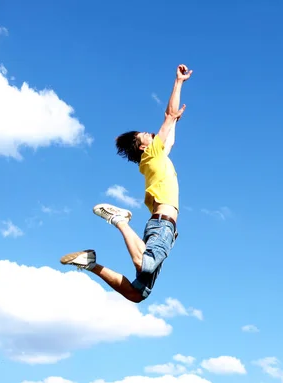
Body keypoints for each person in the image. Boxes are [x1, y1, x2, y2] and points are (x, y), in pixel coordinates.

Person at [59, 64, 192, 303]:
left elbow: (170, 134)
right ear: (143, 147)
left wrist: (175, 122)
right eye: (145, 134)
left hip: (161, 227)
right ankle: (119, 220)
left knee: (136, 294)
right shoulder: (152, 154)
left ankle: (90, 264)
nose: (150, 133)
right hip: (163, 226)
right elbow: (168, 116)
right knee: (143, 264)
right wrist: (179, 83)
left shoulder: (156, 157)